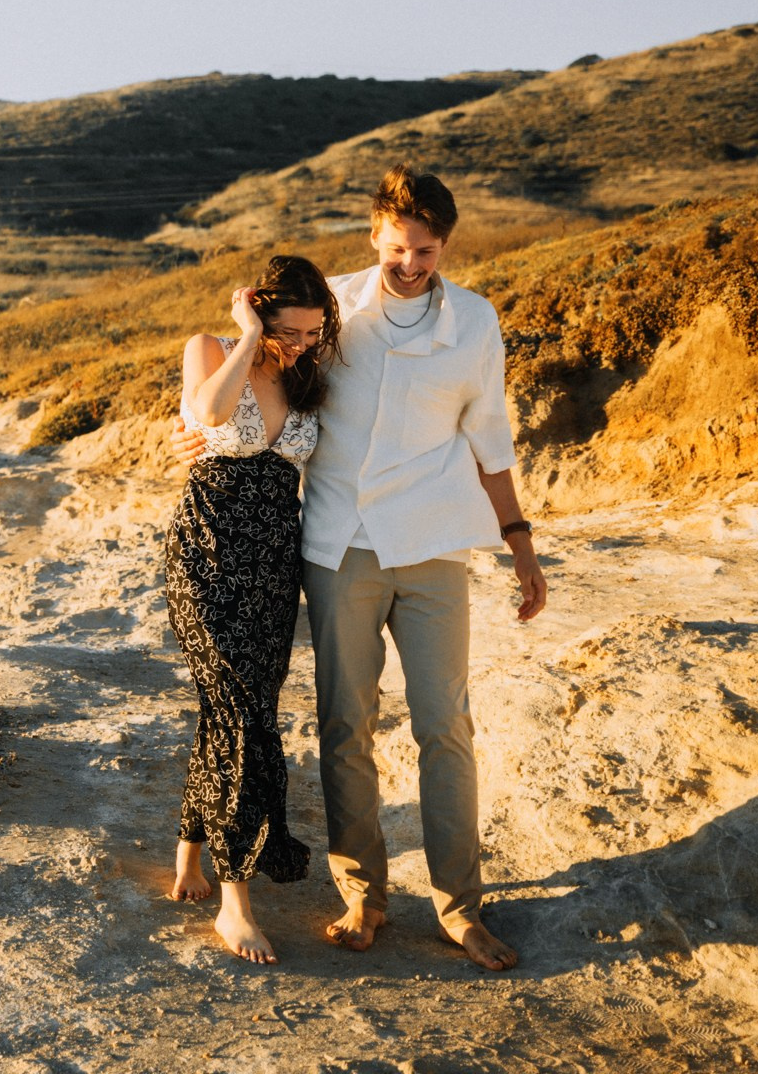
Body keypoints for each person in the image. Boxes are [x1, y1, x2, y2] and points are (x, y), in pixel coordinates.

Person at [177, 166, 547, 972]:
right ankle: (363, 897)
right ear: (374, 237)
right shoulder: (330, 309)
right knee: (346, 725)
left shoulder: (477, 323)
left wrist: (520, 543)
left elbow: (491, 436)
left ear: (444, 245)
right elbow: (243, 381)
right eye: (397, 247)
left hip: (435, 546)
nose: (410, 262)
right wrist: (197, 440)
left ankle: (461, 908)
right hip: (339, 546)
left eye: (425, 250)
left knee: (444, 725)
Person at [164, 253, 340, 964]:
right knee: (240, 713)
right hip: (206, 553)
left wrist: (292, 349)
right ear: (260, 312)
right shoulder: (210, 349)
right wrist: (246, 337)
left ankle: (188, 852)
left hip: (274, 562)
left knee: (236, 709)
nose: (299, 344)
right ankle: (236, 903)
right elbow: (206, 413)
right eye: (288, 331)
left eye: (311, 333)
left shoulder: (307, 374)